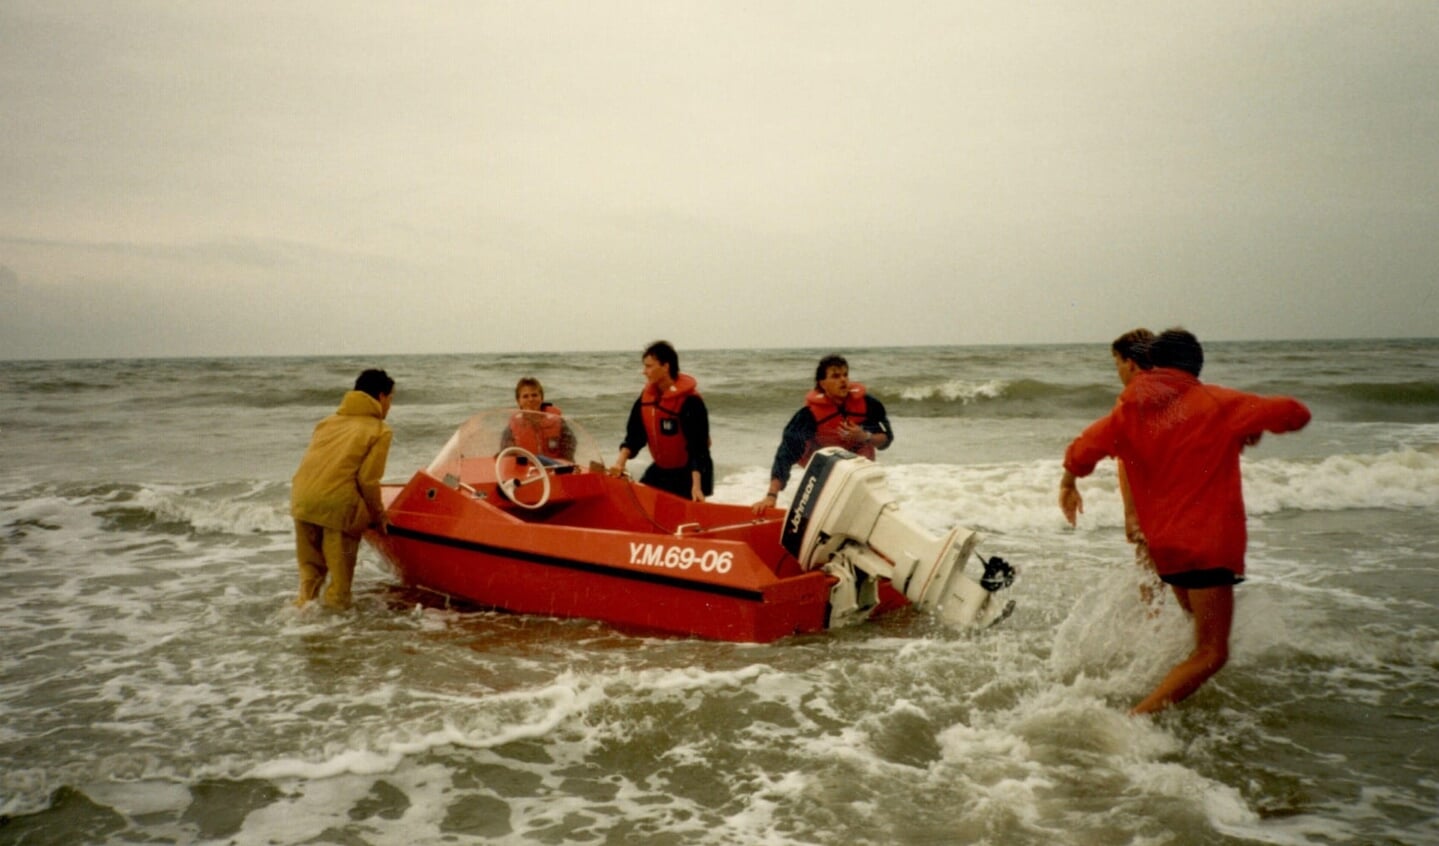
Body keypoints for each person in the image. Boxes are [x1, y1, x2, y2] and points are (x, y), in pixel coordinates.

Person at [1059, 329, 1310, 715]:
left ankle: (1168, 682)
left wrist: (1068, 482)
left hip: (1166, 550)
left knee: (1194, 624)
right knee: (1212, 653)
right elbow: (1295, 412)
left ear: (1153, 364)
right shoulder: (1216, 403)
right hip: (1208, 547)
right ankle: (1137, 717)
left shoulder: (1129, 411)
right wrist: (1251, 422)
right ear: (1195, 366)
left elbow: (1082, 449)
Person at [290, 368, 395, 610]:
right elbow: (368, 480)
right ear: (381, 397)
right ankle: (336, 638)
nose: (390, 405)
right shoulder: (379, 430)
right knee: (339, 586)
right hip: (338, 507)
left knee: (310, 578)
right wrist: (379, 517)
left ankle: (301, 630)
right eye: (391, 399)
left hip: (302, 501)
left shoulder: (327, 422)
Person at [751, 354, 893, 514]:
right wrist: (771, 496)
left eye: (845, 375)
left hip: (857, 464)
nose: (843, 380)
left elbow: (886, 439)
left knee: (867, 447)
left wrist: (865, 436)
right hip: (823, 466)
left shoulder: (868, 404)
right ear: (822, 383)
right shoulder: (808, 415)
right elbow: (785, 454)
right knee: (798, 445)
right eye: (836, 376)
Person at [608, 341, 713, 501]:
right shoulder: (646, 399)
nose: (644, 372)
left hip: (691, 472)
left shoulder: (690, 402)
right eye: (644, 366)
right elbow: (634, 436)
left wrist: (696, 486)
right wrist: (619, 463)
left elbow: (698, 449)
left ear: (665, 366)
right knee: (638, 502)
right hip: (662, 470)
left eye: (649, 366)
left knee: (679, 517)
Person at [1109, 328, 1161, 605]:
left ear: (1130, 362)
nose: (1117, 371)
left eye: (1116, 363)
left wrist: (1131, 514)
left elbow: (1129, 460)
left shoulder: (1131, 400)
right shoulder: (1176, 392)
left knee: (1149, 573)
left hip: (1150, 503)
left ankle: (1155, 633)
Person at [500, 376, 577, 462]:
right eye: (525, 396)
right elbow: (506, 455)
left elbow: (570, 448)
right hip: (526, 472)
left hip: (555, 469)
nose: (531, 399)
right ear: (519, 401)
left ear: (541, 398)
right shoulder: (512, 428)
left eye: (534, 395)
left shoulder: (557, 421)